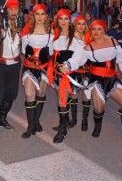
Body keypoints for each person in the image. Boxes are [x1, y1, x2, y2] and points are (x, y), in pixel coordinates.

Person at [61, 20, 122, 145]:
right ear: (90, 31)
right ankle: (98, 127)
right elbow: (77, 60)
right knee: (99, 108)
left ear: (104, 30)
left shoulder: (113, 42)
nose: (96, 32)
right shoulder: (87, 47)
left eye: (99, 29)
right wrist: (67, 65)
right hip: (96, 81)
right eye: (94, 29)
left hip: (112, 79)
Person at [0, 0, 22, 139]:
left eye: (16, 9)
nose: (13, 11)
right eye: (11, 9)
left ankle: (2, 118)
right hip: (0, 64)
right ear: (6, 10)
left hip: (15, 64)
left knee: (11, 94)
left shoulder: (21, 23)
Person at [20, 4, 54, 138]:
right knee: (29, 94)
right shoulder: (26, 34)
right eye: (37, 14)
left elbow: (51, 52)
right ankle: (30, 126)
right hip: (29, 68)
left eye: (42, 14)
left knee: (40, 93)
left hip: (44, 68)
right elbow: (23, 51)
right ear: (33, 16)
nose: (40, 17)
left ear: (46, 16)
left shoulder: (51, 34)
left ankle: (36, 121)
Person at [51, 9, 84, 143]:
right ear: (57, 21)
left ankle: (64, 128)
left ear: (70, 21)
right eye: (61, 19)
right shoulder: (54, 35)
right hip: (57, 73)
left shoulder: (75, 35)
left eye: (66, 19)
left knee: (65, 98)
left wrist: (69, 65)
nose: (63, 22)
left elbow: (81, 54)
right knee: (62, 98)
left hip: (71, 73)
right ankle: (65, 123)